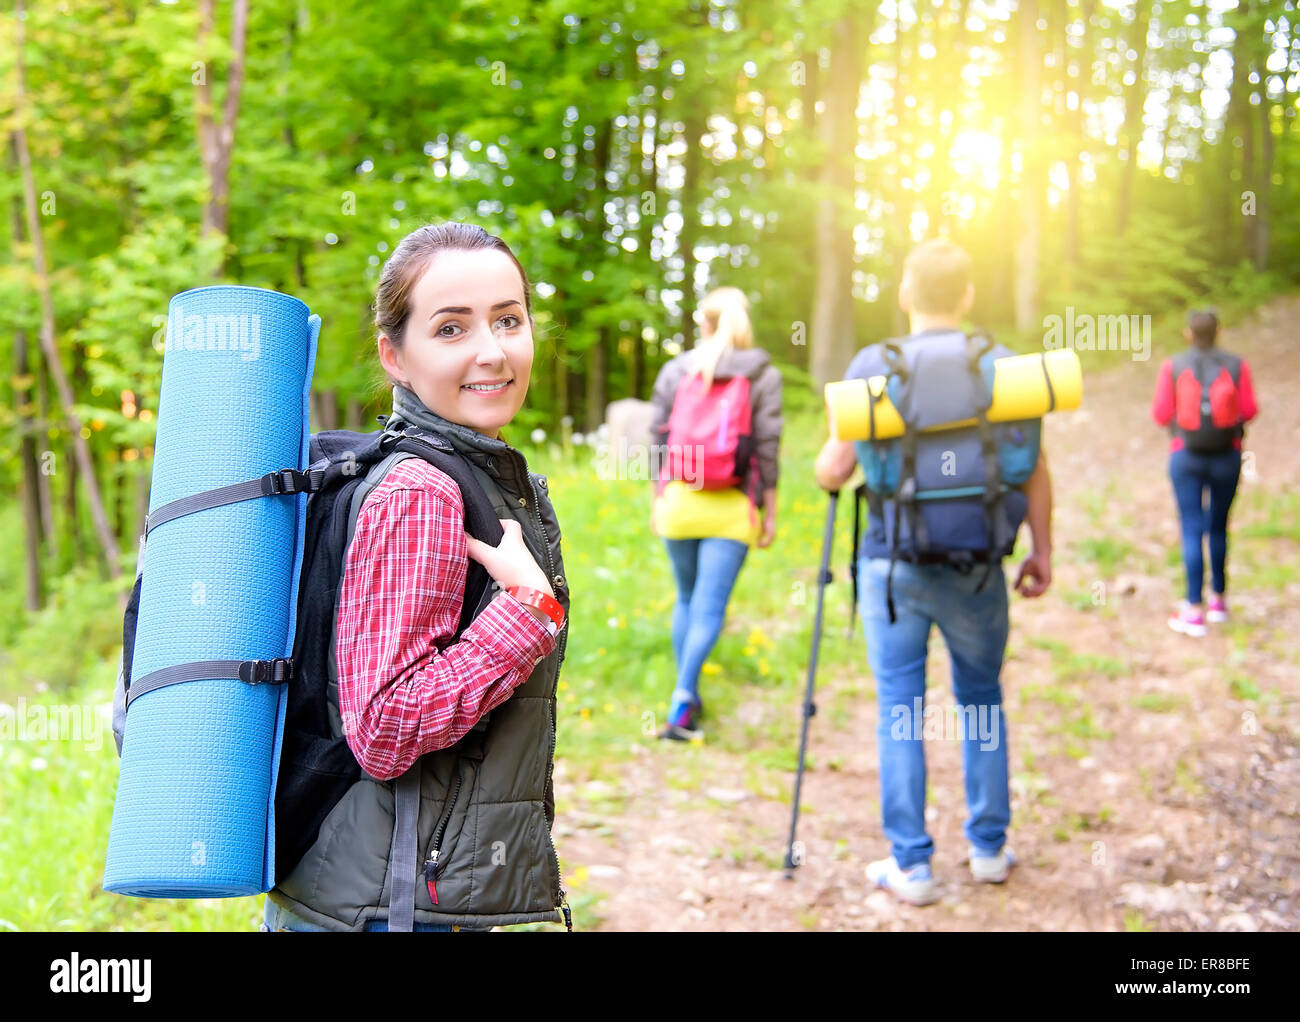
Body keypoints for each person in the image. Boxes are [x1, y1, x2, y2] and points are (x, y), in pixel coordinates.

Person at [262, 222, 571, 931]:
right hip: (388, 912)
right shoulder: (421, 492)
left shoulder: (461, 470)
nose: (492, 350)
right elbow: (384, 725)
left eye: (508, 319)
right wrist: (527, 612)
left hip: (393, 896)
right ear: (394, 356)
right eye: (452, 328)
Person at [813, 239, 1053, 906]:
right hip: (979, 566)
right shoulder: (1001, 367)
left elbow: (834, 470)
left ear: (904, 293)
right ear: (968, 297)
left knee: (901, 710)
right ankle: (988, 850)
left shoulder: (874, 366)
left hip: (895, 567)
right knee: (981, 700)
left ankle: (912, 866)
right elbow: (1034, 467)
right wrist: (1043, 552)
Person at [648, 287, 783, 741]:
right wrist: (770, 509)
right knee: (709, 607)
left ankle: (686, 697)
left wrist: (657, 498)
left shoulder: (676, 369)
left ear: (702, 323)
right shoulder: (762, 372)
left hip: (679, 503)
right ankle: (683, 701)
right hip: (732, 507)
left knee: (686, 599)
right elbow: (767, 444)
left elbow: (657, 438)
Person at [1150, 309, 1258, 637]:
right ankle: (1219, 601)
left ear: (1188, 333)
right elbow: (1250, 409)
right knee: (1219, 526)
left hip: (1186, 456)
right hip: (1228, 456)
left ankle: (1193, 610)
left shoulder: (1173, 365)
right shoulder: (1237, 365)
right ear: (1218, 331)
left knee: (1191, 528)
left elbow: (1160, 413)